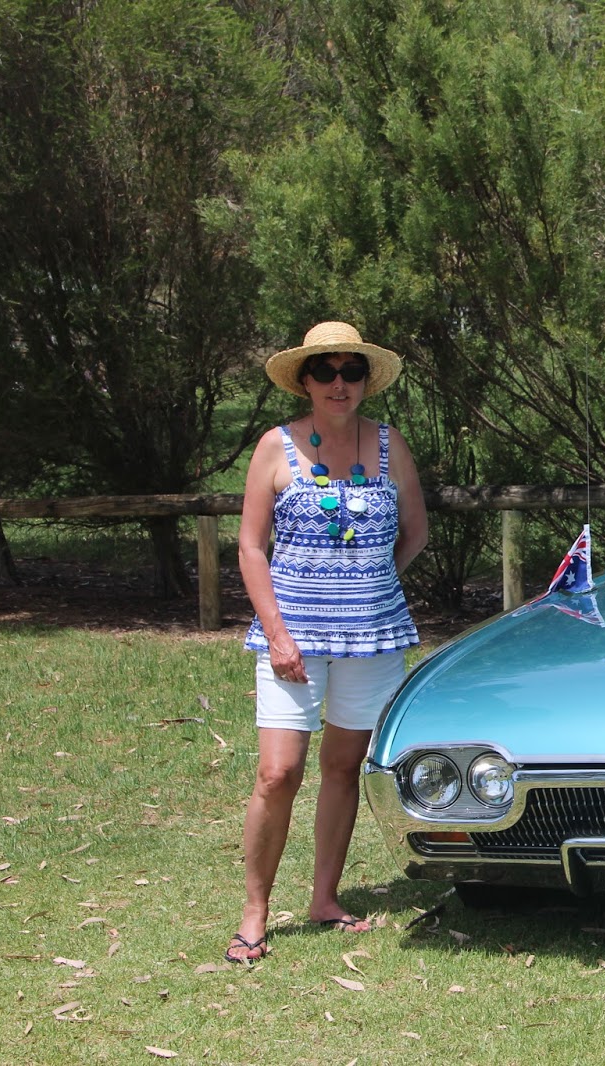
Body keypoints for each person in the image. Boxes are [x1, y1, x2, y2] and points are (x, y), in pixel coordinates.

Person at [225, 321, 428, 964]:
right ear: (306, 381)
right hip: (294, 641)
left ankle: (324, 898)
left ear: (367, 380)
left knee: (343, 767)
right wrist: (280, 635)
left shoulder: (391, 446)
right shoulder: (275, 447)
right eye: (326, 372)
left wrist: (370, 583)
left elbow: (416, 532)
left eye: (352, 371)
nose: (340, 383)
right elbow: (251, 549)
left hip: (373, 639)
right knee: (277, 772)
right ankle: (254, 912)